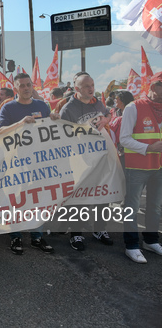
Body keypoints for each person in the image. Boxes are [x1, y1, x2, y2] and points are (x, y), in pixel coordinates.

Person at [0, 73, 59, 255]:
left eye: (28, 85)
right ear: (15, 89)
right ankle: (15, 236)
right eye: (21, 85)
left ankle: (36, 236)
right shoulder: (8, 108)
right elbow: (0, 132)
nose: (26, 88)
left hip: (40, 161)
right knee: (16, 199)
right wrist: (20, 123)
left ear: (32, 86)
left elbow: (49, 129)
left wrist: (54, 119)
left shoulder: (41, 105)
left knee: (37, 198)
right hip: (16, 162)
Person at [60, 72, 112, 250]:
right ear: (77, 89)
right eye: (87, 87)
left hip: (101, 160)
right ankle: (76, 234)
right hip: (79, 161)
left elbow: (108, 115)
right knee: (79, 198)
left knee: (103, 195)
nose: (91, 89)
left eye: (92, 85)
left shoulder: (97, 103)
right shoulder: (68, 109)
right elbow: (62, 137)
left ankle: (100, 229)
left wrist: (106, 118)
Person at [119, 72, 162, 263]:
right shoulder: (133, 107)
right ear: (153, 87)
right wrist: (148, 148)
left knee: (154, 206)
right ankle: (132, 245)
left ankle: (151, 241)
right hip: (137, 167)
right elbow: (124, 138)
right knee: (132, 206)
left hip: (159, 167)